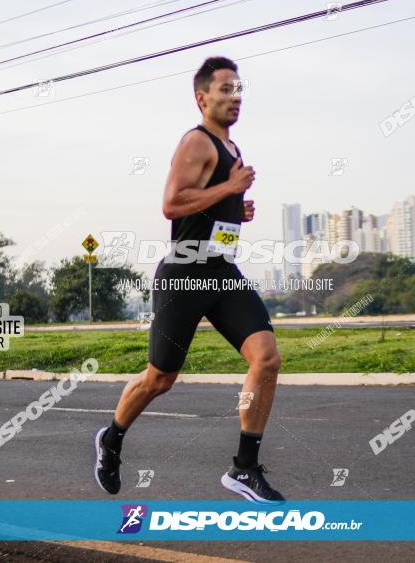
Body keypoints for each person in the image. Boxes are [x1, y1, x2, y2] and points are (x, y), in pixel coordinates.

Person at [94, 56, 285, 503]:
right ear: (201, 98)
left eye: (238, 89)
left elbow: (207, 206)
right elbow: (173, 204)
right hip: (183, 272)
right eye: (224, 89)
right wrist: (229, 189)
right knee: (160, 379)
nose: (234, 97)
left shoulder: (233, 150)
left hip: (221, 271)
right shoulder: (196, 143)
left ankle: (244, 468)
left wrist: (237, 210)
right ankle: (113, 438)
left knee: (267, 358)